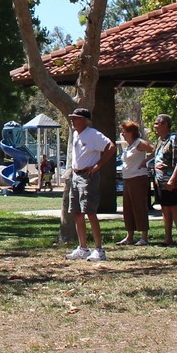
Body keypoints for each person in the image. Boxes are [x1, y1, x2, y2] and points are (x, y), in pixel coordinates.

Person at [64, 107, 113, 261]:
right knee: (77, 212)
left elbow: (111, 147)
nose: (73, 120)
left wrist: (97, 166)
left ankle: (99, 250)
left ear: (85, 120)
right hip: (76, 176)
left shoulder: (93, 134)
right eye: (72, 118)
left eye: (76, 118)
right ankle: (83, 248)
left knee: (90, 212)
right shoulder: (76, 135)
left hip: (88, 176)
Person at [151, 114, 177, 247]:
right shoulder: (160, 140)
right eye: (155, 123)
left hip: (171, 180)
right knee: (165, 208)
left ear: (166, 125)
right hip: (160, 180)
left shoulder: (174, 138)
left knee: (174, 207)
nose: (156, 126)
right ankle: (168, 238)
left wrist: (172, 179)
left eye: (158, 123)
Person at [116, 120, 153, 246]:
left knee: (139, 207)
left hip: (138, 178)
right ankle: (129, 236)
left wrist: (145, 161)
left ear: (132, 132)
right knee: (128, 208)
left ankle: (144, 236)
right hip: (127, 179)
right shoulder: (128, 146)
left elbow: (154, 150)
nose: (123, 134)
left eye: (124, 132)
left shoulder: (139, 143)